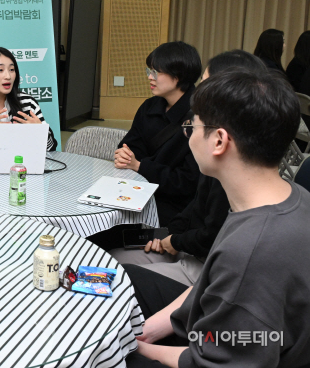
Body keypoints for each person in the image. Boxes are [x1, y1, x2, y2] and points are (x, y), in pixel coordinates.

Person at [125, 69, 310, 367]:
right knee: (123, 276)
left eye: (193, 126)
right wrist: (149, 331)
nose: (189, 135)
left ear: (219, 141)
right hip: (234, 336)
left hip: (230, 355)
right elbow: (205, 288)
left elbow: (214, 361)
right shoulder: (289, 195)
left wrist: (135, 348)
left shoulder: (250, 252)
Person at [108, 50, 267, 287]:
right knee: (110, 253)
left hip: (201, 262)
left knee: (118, 272)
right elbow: (196, 207)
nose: (190, 132)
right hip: (182, 238)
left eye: (205, 82)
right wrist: (167, 236)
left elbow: (209, 228)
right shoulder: (153, 108)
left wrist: (174, 240)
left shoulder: (237, 168)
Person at [114, 41, 202, 226]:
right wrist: (125, 155)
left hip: (173, 206)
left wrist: (140, 166)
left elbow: (187, 182)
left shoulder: (200, 119)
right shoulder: (149, 106)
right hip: (136, 188)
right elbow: (130, 143)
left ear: (178, 76)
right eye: (149, 71)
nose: (150, 78)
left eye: (156, 72)